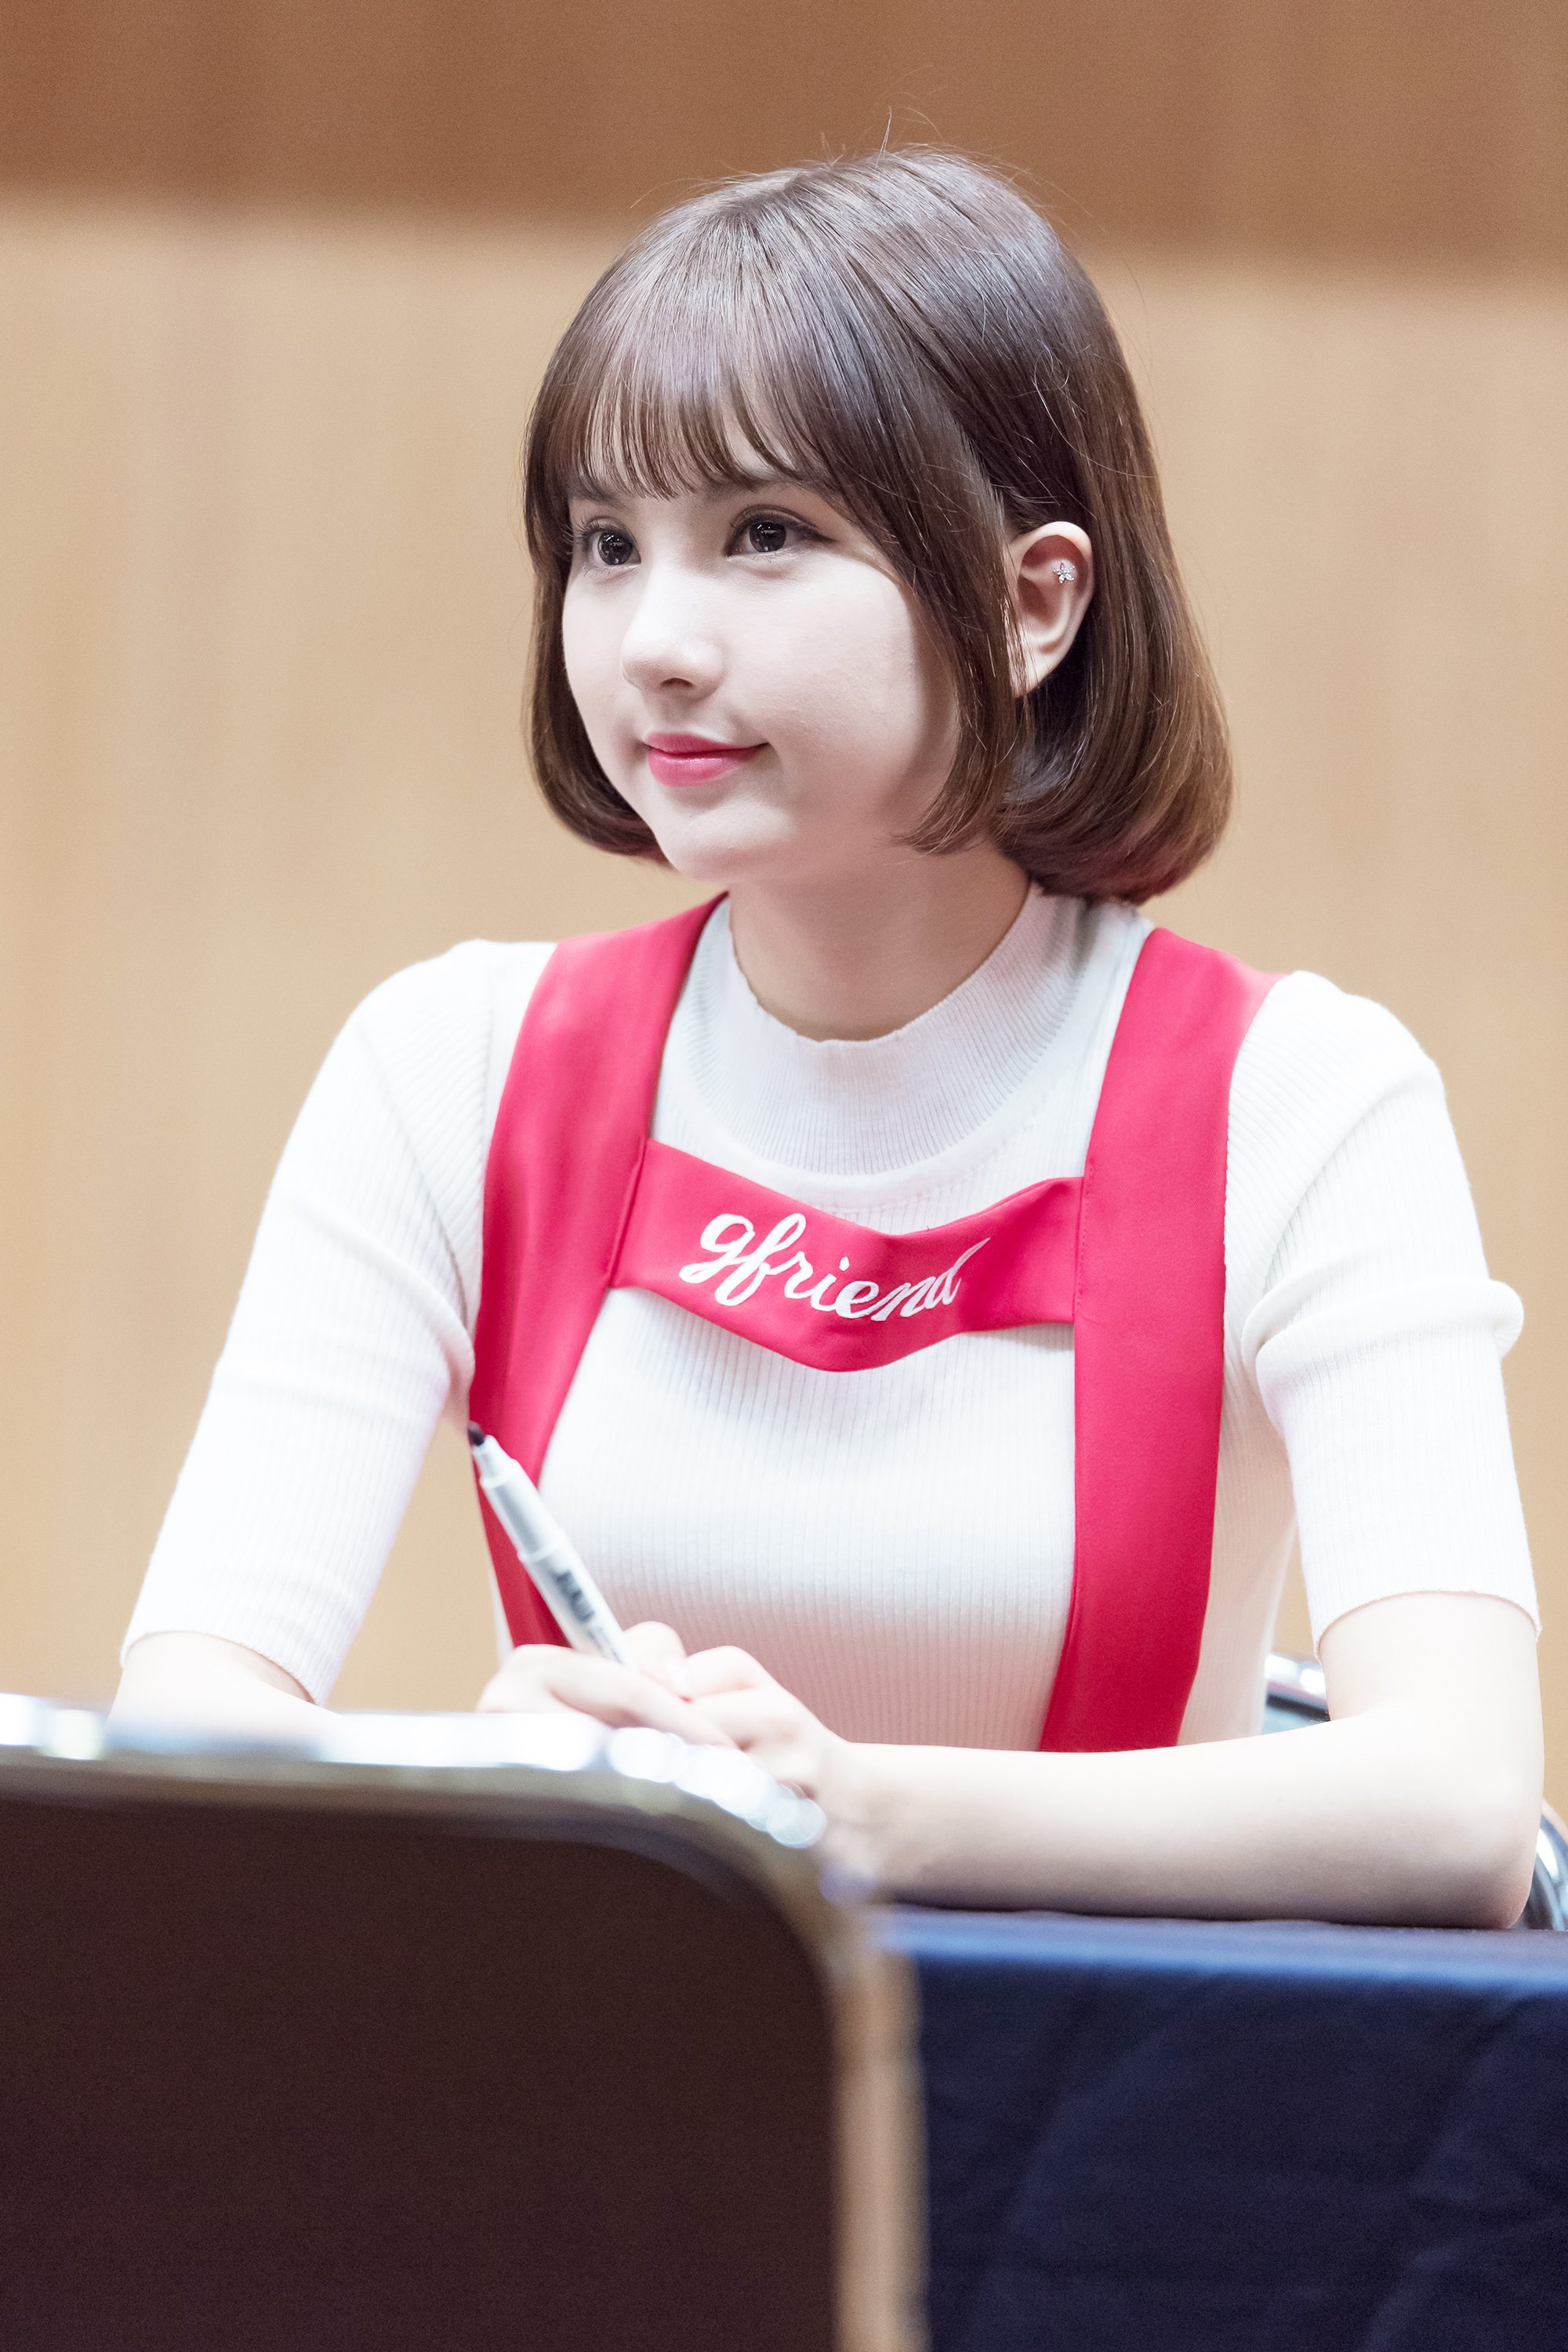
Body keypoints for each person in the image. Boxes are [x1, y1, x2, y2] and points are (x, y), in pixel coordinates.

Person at [113, 150, 1541, 1926]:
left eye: (767, 536)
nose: (655, 643)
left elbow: (1457, 1808)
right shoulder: (452, 1068)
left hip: (1132, 2081)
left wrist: (850, 1815)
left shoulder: (1301, 1099)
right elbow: (185, 1734)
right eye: (608, 546)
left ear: (1034, 603)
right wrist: (500, 1799)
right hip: (607, 2070)